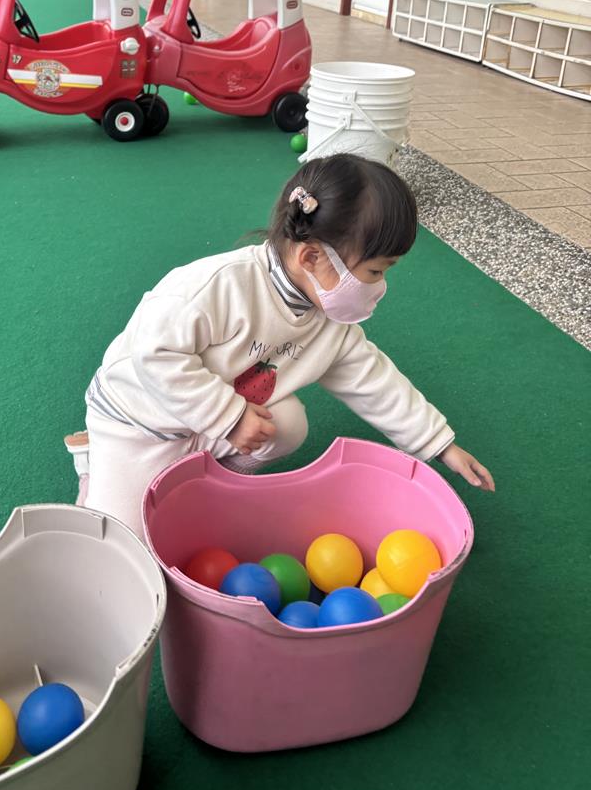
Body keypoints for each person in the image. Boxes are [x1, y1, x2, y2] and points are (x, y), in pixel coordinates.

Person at [65, 154, 495, 538]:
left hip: (206, 423)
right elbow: (155, 355)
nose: (380, 287)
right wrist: (229, 417)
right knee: (124, 542)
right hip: (139, 421)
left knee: (286, 425)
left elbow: (373, 381)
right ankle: (94, 461)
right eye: (375, 272)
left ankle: (207, 477)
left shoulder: (328, 319)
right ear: (311, 258)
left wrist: (438, 444)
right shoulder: (218, 286)